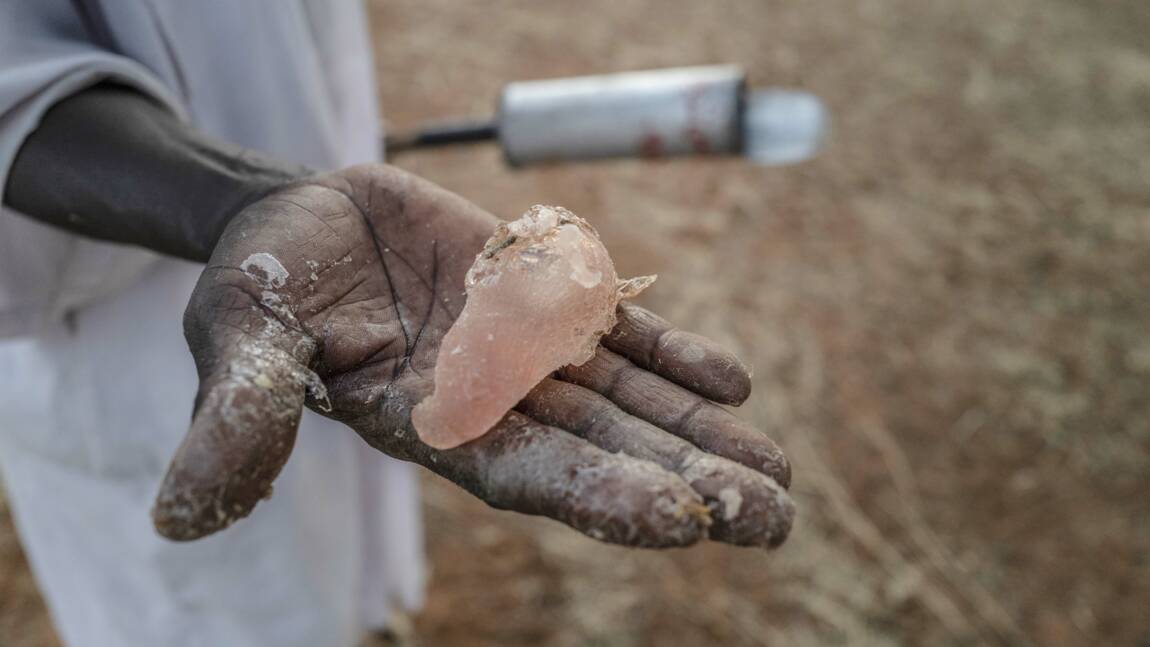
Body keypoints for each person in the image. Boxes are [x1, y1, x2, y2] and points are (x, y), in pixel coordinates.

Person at [0, 2, 794, 646]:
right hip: (109, 334)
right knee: (227, 612)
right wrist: (239, 196)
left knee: (349, 574)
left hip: (345, 261)